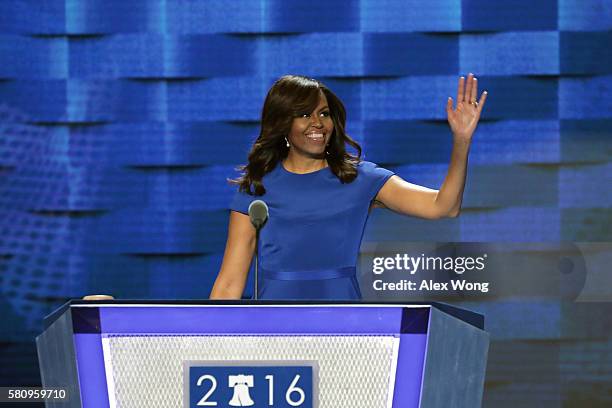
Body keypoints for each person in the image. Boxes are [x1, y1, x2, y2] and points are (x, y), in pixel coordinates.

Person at [210, 74, 487, 300]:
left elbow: (444, 206)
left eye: (324, 113)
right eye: (304, 114)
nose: (318, 123)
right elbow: (230, 284)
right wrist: (207, 347)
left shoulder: (360, 179)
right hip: (275, 327)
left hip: (344, 327)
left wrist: (461, 141)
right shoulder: (257, 188)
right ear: (283, 123)